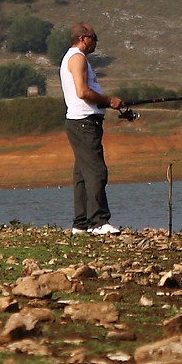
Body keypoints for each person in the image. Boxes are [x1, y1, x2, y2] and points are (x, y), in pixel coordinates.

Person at [60, 22, 125, 233]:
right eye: (94, 37)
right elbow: (83, 92)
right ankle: (98, 222)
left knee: (82, 174)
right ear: (83, 38)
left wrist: (111, 104)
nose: (96, 41)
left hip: (80, 121)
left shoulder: (74, 58)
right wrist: (109, 100)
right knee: (97, 171)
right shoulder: (77, 58)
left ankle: (81, 224)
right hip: (84, 122)